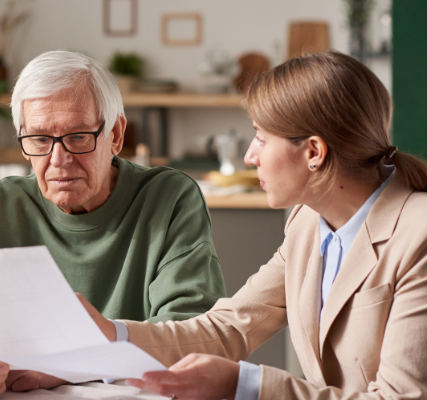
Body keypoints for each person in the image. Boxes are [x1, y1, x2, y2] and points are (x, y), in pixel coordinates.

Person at [81, 50, 427, 400]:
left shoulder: (419, 235)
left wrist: (246, 386)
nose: (250, 156)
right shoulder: (308, 223)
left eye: (261, 137)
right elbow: (229, 327)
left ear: (313, 153)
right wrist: (112, 334)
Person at [0, 50, 226, 399]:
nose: (59, 160)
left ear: (116, 135)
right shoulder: (2, 207)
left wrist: (69, 368)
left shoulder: (169, 198)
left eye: (77, 136)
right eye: (40, 140)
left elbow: (192, 335)